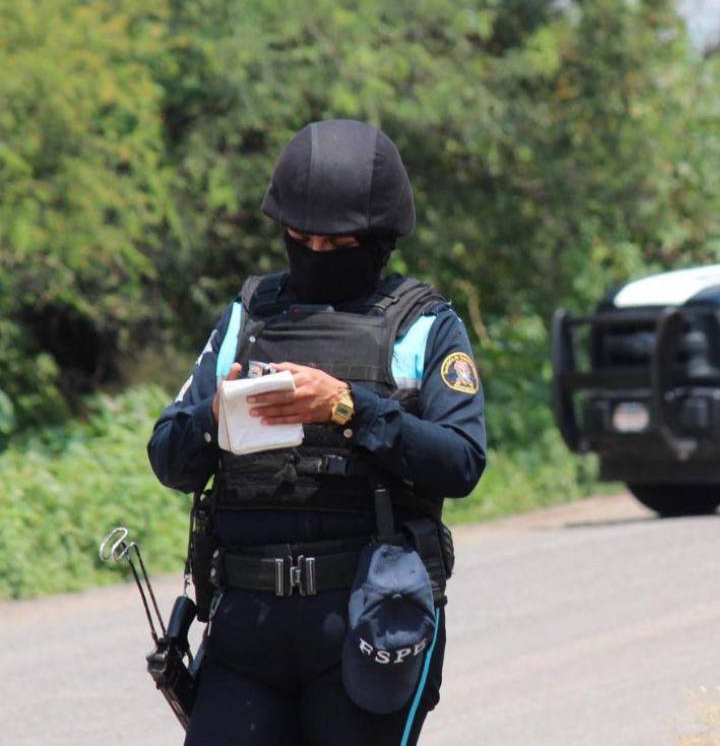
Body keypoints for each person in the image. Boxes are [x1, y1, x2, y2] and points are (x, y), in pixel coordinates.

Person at [148, 120, 486, 745]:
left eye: (336, 245)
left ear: (377, 241)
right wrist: (215, 415)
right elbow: (168, 456)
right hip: (245, 633)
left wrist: (350, 408)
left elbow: (461, 463)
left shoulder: (425, 328)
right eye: (300, 240)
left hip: (366, 619)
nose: (315, 256)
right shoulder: (246, 320)